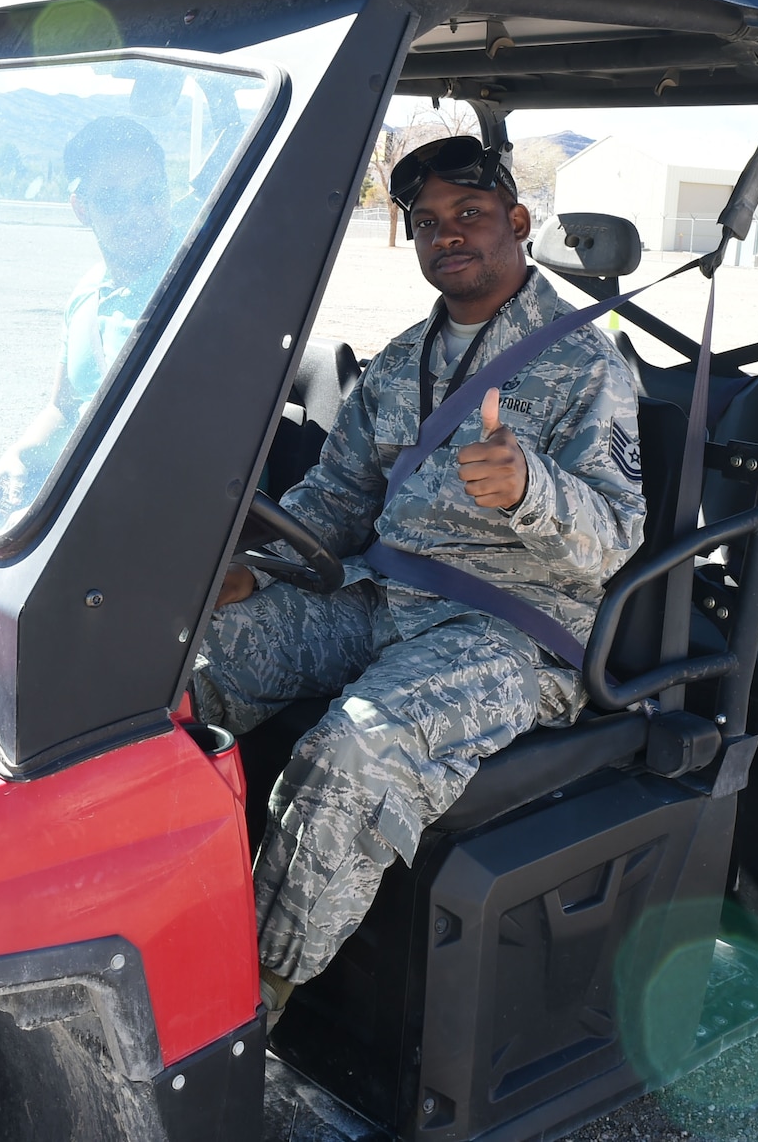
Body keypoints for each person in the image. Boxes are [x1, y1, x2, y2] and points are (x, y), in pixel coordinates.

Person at [192, 135, 647, 1027]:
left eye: (470, 214)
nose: (450, 235)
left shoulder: (589, 365)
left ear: (518, 222)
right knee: (195, 663)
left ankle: (251, 1005)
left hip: (512, 629)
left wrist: (530, 490)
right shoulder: (406, 361)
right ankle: (142, 909)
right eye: (429, 222)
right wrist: (258, 571)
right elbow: (334, 496)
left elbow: (614, 540)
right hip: (379, 596)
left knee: (353, 750)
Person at [0, 115, 178, 514]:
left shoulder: (198, 285)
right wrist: (18, 456)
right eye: (112, 199)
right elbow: (65, 408)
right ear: (81, 208)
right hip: (95, 499)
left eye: (149, 192)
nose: (137, 212)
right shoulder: (86, 295)